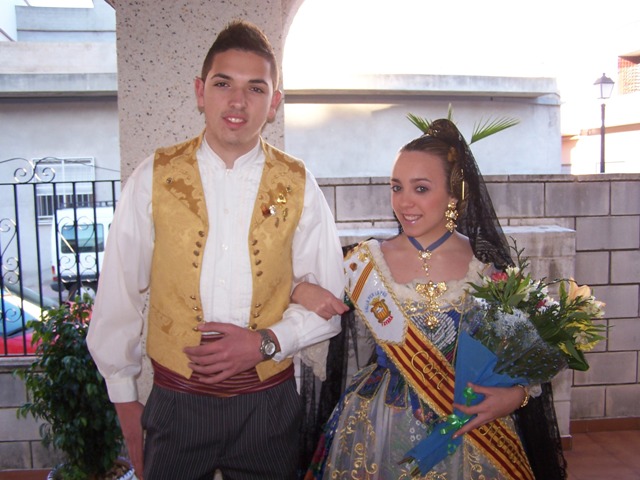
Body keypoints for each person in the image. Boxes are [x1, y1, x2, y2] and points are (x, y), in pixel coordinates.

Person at [86, 20, 345, 480]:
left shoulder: (298, 183)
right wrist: (124, 396)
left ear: (274, 103)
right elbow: (119, 291)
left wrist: (267, 342)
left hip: (269, 406)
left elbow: (329, 303)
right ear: (200, 91)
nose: (238, 101)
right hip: (176, 405)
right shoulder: (153, 176)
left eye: (256, 88)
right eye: (224, 84)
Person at [293, 119, 567, 479]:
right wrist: (299, 289)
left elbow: (521, 355)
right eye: (397, 187)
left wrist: (517, 396)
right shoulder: (361, 263)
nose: (404, 202)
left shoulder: (487, 268)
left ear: (454, 195)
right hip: (380, 423)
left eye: (420, 188)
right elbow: (292, 293)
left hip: (470, 424)